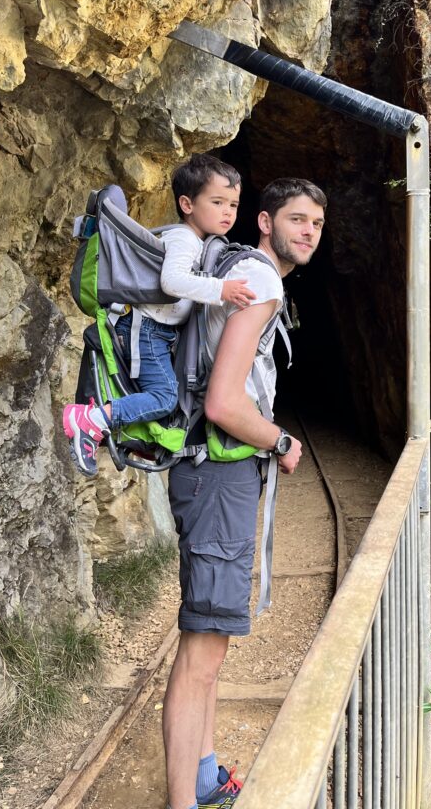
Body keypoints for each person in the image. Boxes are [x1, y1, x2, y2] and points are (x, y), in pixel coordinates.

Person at [162, 178, 327, 809]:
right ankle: (185, 800)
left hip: (207, 471)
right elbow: (225, 403)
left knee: (207, 640)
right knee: (202, 653)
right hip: (218, 475)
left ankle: (204, 776)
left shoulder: (236, 270)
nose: (308, 231)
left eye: (317, 223)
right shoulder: (262, 281)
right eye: (297, 219)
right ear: (264, 221)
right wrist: (280, 440)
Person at [62, 153, 256, 478]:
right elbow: (172, 282)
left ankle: (114, 428)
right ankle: (92, 420)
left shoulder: (193, 240)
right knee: (164, 398)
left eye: (233, 205)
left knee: (163, 395)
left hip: (156, 332)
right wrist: (220, 289)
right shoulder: (184, 239)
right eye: (218, 202)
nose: (228, 212)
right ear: (187, 204)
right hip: (148, 330)